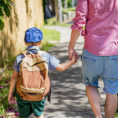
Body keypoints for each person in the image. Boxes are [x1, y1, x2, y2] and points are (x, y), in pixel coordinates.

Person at [8, 27, 77, 118]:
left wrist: (11, 93)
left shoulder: (20, 57)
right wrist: (71, 62)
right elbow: (61, 68)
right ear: (40, 42)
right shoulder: (45, 56)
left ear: (25, 42)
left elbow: (14, 77)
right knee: (39, 115)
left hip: (22, 93)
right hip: (40, 93)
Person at [68, 0, 118, 118]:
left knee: (90, 84)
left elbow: (79, 21)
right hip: (114, 52)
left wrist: (71, 47)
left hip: (92, 51)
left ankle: (98, 116)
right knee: (112, 91)